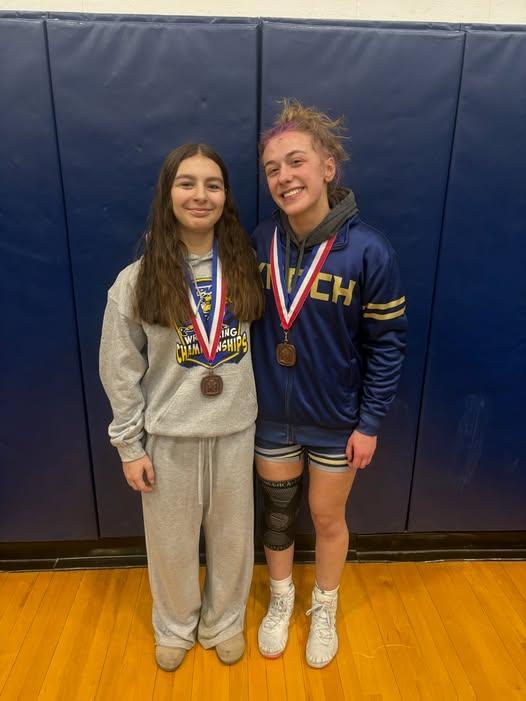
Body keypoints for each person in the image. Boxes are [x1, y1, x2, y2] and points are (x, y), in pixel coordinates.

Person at [250, 100, 407, 668]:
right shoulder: (259, 240)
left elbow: (388, 345)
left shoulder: (369, 250)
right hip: (271, 416)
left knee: (325, 518)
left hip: (336, 420)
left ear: (327, 167)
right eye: (272, 169)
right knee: (275, 516)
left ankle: (324, 604)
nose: (285, 177)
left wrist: (369, 424)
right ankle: (280, 599)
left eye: (296, 162)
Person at [99, 143, 264, 672]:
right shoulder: (138, 279)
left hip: (235, 430)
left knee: (234, 542)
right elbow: (119, 370)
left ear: (226, 197)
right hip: (168, 438)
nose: (200, 194)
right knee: (169, 545)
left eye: (212, 184)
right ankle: (173, 625)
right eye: (186, 183)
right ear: (167, 194)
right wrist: (129, 445)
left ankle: (225, 622)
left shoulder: (246, 270)